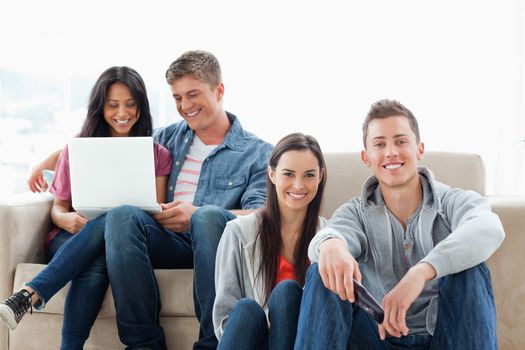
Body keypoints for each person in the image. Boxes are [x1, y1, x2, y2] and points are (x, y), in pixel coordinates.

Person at [24, 50, 272, 349]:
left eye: (193, 95)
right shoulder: (165, 139)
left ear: (219, 91)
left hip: (214, 245)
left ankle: (211, 343)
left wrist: (196, 212)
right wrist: (45, 163)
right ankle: (143, 344)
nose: (185, 106)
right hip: (165, 241)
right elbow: (108, 142)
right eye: (178, 98)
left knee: (206, 217)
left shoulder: (257, 153)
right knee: (122, 214)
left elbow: (259, 215)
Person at [294, 99, 505, 350]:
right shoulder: (356, 212)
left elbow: (488, 227)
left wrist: (421, 272)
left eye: (401, 141)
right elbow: (333, 232)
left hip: (443, 339)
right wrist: (330, 245)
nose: (391, 152)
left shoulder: (451, 201)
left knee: (471, 269)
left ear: (420, 149)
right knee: (324, 270)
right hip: (376, 339)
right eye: (379, 144)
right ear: (366, 157)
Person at [0, 66, 172, 350]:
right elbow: (58, 209)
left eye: (131, 104)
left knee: (107, 238)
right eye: (113, 105)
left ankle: (30, 295)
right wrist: (67, 220)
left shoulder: (157, 154)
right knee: (97, 253)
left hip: (122, 242)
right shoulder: (77, 148)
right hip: (72, 237)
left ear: (141, 106)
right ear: (100, 108)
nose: (122, 113)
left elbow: (151, 209)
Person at [213, 133, 326, 350]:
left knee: (287, 293)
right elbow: (223, 317)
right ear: (272, 174)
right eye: (289, 174)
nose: (298, 185)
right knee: (246, 309)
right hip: (253, 340)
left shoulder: (329, 239)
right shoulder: (238, 232)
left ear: (320, 176)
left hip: (300, 342)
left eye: (309, 175)